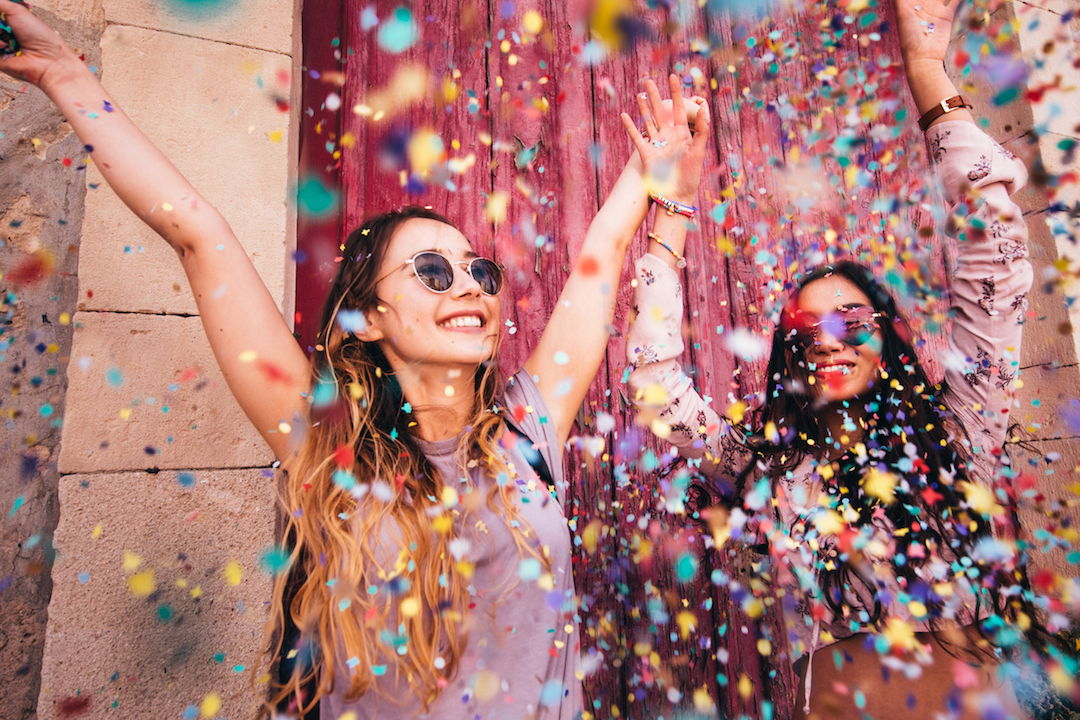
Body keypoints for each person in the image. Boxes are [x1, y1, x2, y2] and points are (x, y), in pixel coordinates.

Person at [0, 2, 712, 718]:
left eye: (479, 272)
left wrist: (662, 189)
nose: (468, 285)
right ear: (368, 318)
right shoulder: (322, 444)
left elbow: (605, 252)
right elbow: (196, 233)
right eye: (432, 272)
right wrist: (66, 74)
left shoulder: (528, 431)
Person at [625, 0, 1050, 718]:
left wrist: (926, 73)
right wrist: (672, 207)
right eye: (805, 326)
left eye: (851, 320)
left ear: (885, 338)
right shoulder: (765, 466)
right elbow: (657, 388)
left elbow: (998, 261)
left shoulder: (958, 437)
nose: (827, 338)